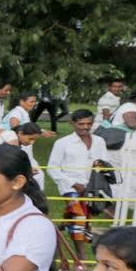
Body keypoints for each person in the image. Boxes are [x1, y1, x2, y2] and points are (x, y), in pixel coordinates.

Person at [47, 110, 110, 257]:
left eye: (89, 123)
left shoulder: (99, 141)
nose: (85, 127)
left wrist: (99, 181)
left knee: (85, 219)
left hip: (91, 186)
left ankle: (63, 223)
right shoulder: (63, 143)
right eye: (81, 124)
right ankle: (81, 257)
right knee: (80, 218)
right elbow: (52, 168)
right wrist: (73, 183)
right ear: (72, 124)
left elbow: (104, 164)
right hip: (69, 186)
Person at [8, 122, 46, 188]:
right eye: (31, 139)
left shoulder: (18, 142)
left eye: (34, 140)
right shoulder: (10, 141)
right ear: (20, 133)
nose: (32, 142)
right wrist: (27, 171)